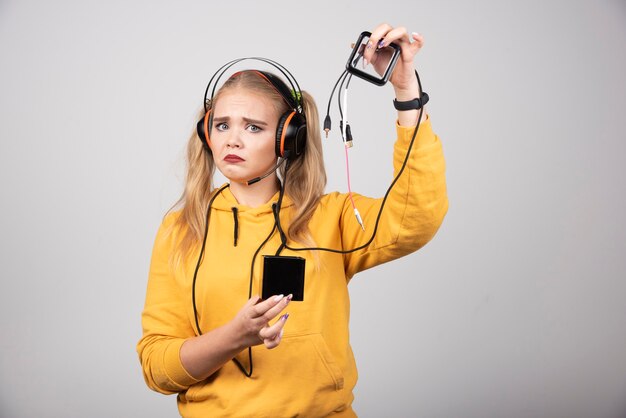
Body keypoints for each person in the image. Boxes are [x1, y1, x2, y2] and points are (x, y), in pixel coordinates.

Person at [137, 23, 448, 418]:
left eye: (253, 127)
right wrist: (235, 337)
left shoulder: (330, 218)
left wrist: (406, 92)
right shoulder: (182, 228)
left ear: (289, 137)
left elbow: (417, 217)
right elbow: (157, 369)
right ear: (207, 133)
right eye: (222, 125)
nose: (233, 139)